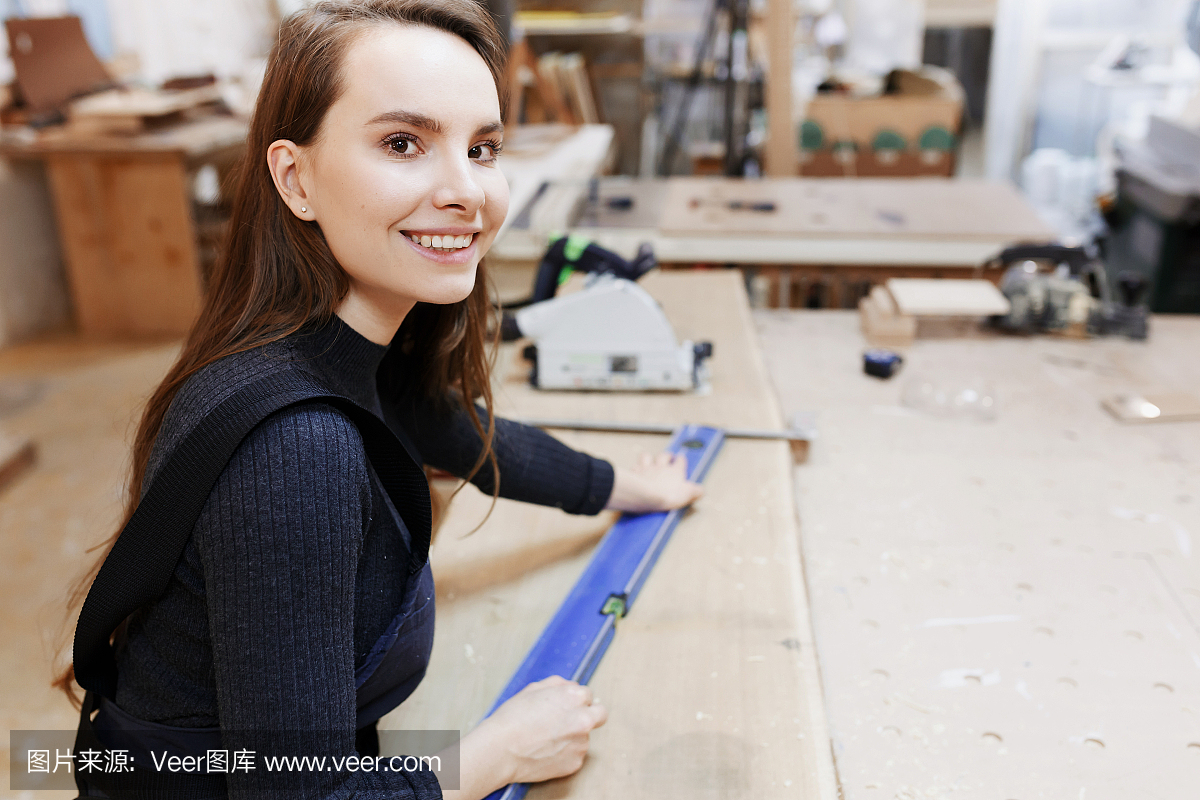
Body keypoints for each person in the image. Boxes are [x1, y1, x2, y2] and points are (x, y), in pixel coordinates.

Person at [54, 2, 702, 798]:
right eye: (404, 143)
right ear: (296, 178)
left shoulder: (330, 350)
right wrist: (496, 754)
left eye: (483, 148)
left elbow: (449, 424)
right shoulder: (296, 447)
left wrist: (617, 487)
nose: (468, 191)